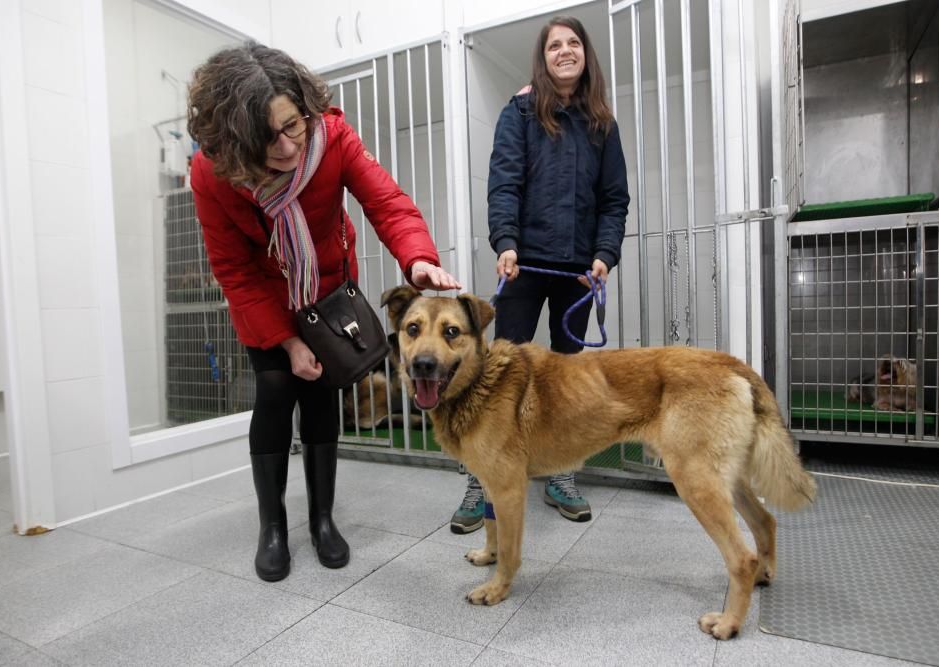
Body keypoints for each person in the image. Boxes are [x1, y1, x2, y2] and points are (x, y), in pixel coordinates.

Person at [187, 42, 461, 582]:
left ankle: (322, 520)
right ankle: (272, 527)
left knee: (319, 399)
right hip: (263, 299)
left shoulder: (332, 135)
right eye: (270, 138)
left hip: (327, 293)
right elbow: (233, 268)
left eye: (295, 125)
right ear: (238, 141)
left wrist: (419, 259)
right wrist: (287, 343)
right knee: (274, 393)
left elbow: (386, 202)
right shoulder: (211, 173)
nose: (290, 146)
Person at [450, 16, 629, 534]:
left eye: (574, 42)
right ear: (543, 56)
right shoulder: (521, 111)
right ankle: (479, 481)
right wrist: (505, 243)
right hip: (524, 265)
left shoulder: (603, 124)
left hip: (577, 272)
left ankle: (561, 476)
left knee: (569, 382)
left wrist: (605, 255)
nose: (565, 51)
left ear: (585, 54)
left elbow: (614, 201)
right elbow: (503, 182)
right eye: (555, 45)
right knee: (498, 374)